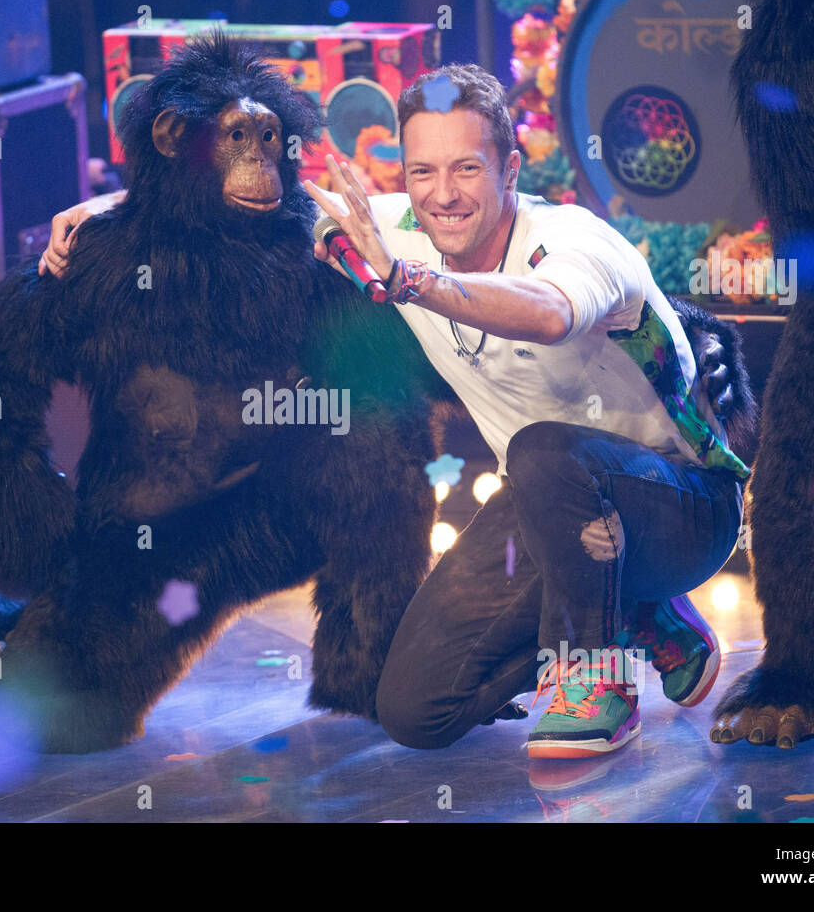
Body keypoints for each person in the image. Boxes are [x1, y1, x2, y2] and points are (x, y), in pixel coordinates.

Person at [40, 64, 746, 759]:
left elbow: (551, 315)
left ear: (509, 168)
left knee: (543, 450)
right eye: (423, 172)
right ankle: (639, 612)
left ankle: (600, 679)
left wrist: (411, 282)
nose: (444, 196)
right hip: (551, 510)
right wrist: (105, 212)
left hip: (678, 509)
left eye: (467, 169)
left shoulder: (572, 241)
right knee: (413, 706)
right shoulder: (392, 228)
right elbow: (245, 209)